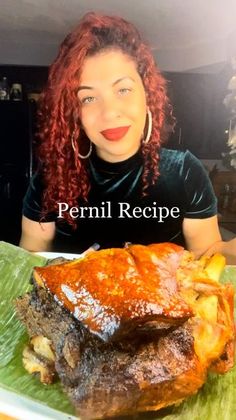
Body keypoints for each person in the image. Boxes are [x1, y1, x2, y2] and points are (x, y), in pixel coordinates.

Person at [20, 12, 236, 263]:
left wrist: (226, 254)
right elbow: (28, 267)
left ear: (148, 96)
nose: (110, 113)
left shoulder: (185, 172)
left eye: (123, 89)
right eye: (88, 98)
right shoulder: (50, 180)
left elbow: (206, 266)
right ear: (74, 113)